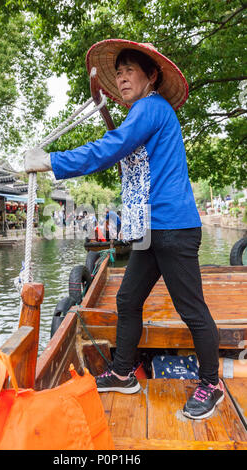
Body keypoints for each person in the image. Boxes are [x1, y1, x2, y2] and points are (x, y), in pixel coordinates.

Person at [24, 39, 223, 420]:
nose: (122, 77)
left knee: (192, 310)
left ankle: (211, 384)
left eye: (130, 70)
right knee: (128, 299)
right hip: (151, 230)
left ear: (151, 76)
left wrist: (50, 160)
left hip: (174, 227)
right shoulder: (142, 115)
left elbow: (109, 148)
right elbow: (124, 154)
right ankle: (122, 372)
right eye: (118, 72)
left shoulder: (150, 107)